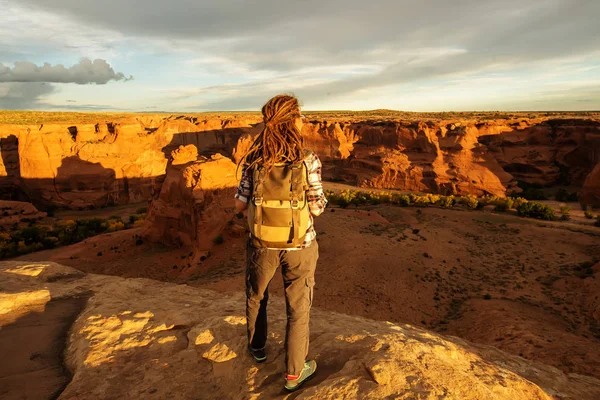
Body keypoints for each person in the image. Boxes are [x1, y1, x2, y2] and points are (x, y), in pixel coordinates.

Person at [234, 94, 327, 392]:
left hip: (261, 245)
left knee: (256, 296)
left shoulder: (254, 158)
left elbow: (239, 205)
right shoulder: (308, 158)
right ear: (295, 120)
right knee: (298, 308)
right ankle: (294, 373)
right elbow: (316, 208)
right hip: (300, 246)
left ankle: (257, 348)